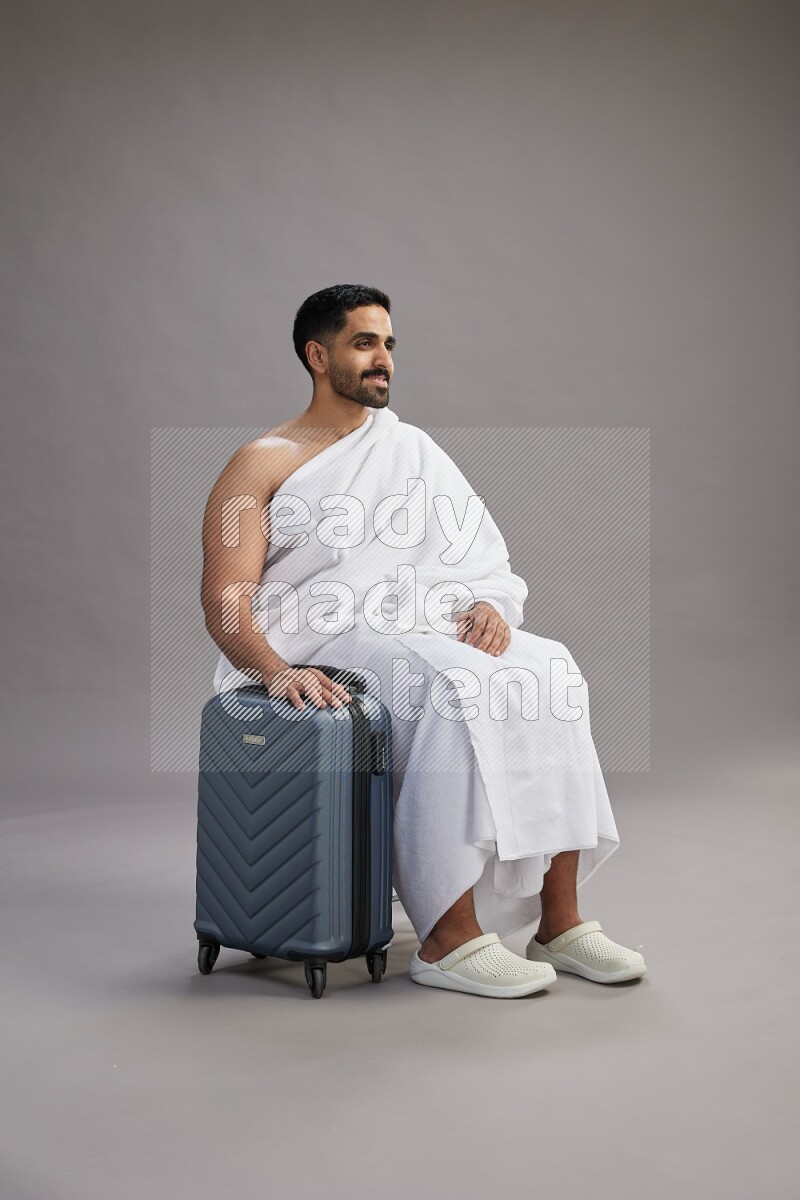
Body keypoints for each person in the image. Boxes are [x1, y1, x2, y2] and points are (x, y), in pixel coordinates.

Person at [200, 283, 646, 999]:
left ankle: (558, 923)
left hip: (415, 622)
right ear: (318, 356)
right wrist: (274, 671)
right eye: (364, 344)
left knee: (551, 668)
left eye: (389, 345)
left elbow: (478, 553)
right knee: (447, 687)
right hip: (319, 639)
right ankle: (447, 936)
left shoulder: (411, 449)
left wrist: (490, 604)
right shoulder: (259, 462)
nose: (384, 361)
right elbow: (226, 597)